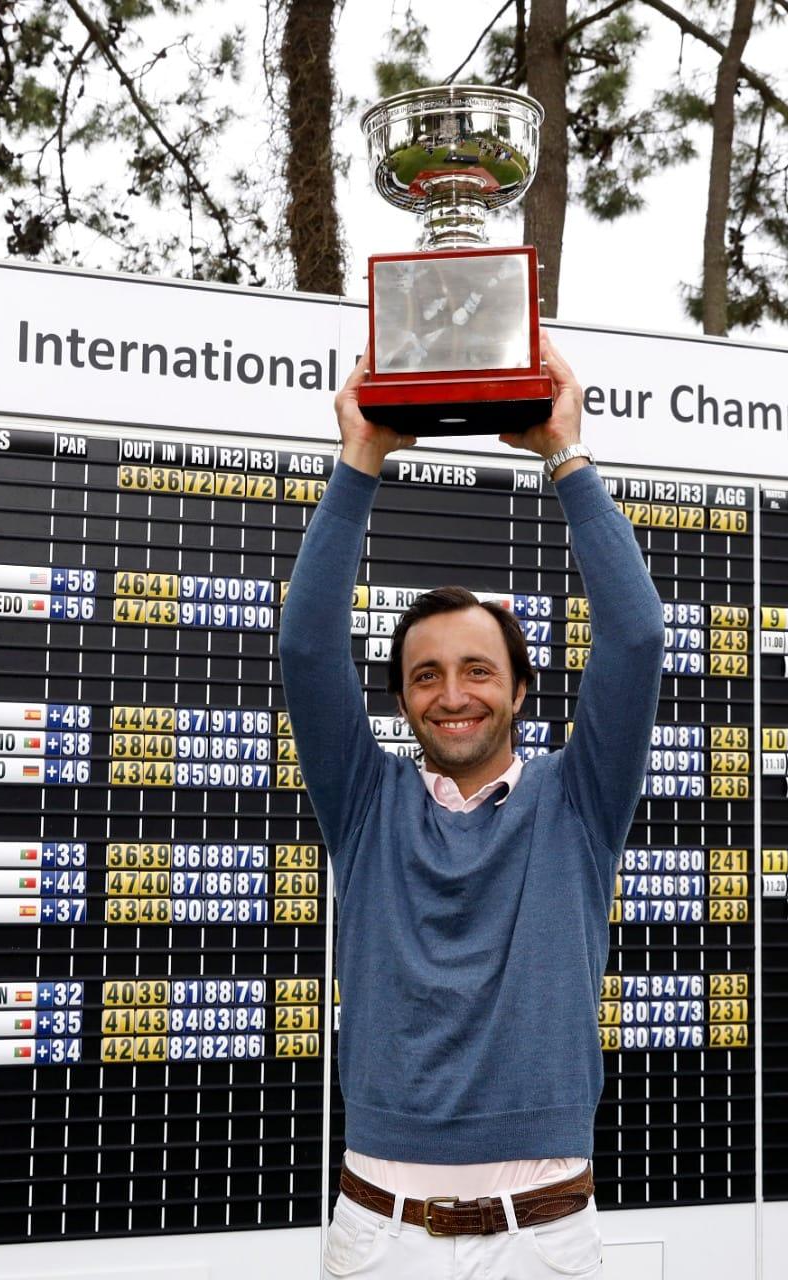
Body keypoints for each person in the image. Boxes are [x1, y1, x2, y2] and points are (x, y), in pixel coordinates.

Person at [279, 334, 664, 1277]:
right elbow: (306, 649)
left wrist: (565, 456)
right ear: (403, 698)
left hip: (541, 1235)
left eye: (478, 670)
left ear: (522, 689)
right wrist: (360, 461)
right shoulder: (365, 803)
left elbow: (638, 634)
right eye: (426, 676)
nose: (453, 694)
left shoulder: (579, 801)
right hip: (381, 1231)